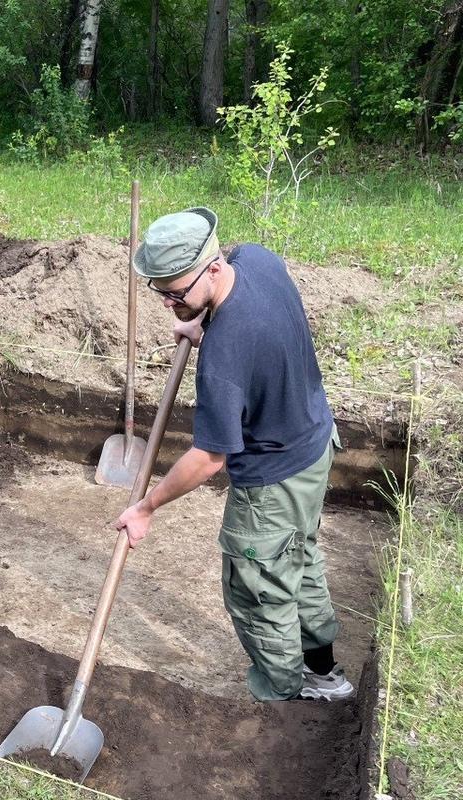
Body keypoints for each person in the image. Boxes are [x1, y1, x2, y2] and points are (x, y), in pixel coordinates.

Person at [114, 207, 354, 703]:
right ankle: (325, 671)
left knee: (257, 588)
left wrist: (146, 507)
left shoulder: (224, 357)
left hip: (273, 479)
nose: (169, 304)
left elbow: (209, 458)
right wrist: (201, 318)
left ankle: (284, 699)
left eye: (177, 294)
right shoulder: (257, 261)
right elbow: (252, 317)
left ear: (213, 268)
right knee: (299, 556)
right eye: (162, 292)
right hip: (313, 444)